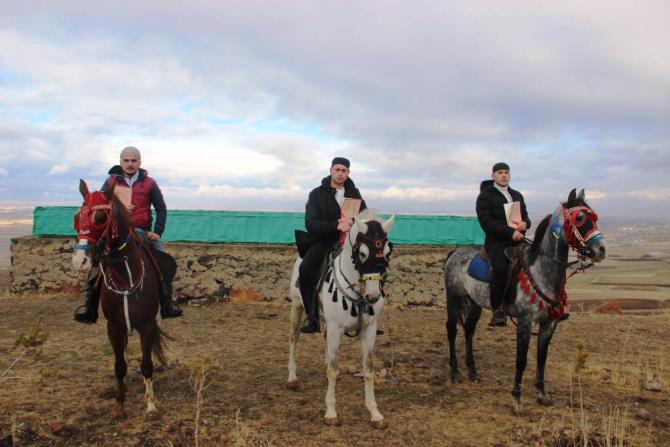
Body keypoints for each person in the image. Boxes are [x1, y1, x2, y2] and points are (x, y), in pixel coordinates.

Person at [74, 146, 183, 323]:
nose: (130, 164)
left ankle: (167, 305)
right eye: (126, 160)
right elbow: (101, 207)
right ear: (120, 162)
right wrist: (121, 208)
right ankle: (89, 308)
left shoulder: (149, 183)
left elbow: (161, 208)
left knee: (164, 261)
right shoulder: (110, 182)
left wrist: (157, 232)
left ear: (140, 162)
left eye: (134, 160)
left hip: (142, 232)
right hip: (117, 233)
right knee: (96, 265)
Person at [298, 157, 366, 333]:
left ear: (348, 172)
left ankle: (368, 313)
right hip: (323, 241)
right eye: (337, 170)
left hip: (350, 242)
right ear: (331, 170)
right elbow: (310, 224)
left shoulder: (355, 194)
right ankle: (312, 318)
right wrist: (336, 225)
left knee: (372, 265)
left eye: (344, 170)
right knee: (305, 269)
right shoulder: (316, 194)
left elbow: (364, 218)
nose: (340, 173)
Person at [476, 162, 530, 327]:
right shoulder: (485, 196)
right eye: (500, 172)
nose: (504, 175)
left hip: (518, 240)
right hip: (496, 242)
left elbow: (526, 216)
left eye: (506, 172)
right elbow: (486, 222)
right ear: (493, 175)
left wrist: (525, 224)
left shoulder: (517, 195)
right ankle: (498, 309)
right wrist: (509, 233)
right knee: (500, 266)